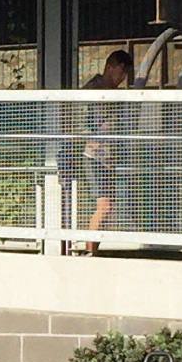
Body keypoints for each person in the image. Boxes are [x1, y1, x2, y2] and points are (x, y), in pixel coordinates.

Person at [79, 48, 133, 251]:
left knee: (107, 208)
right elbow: (80, 121)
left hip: (109, 158)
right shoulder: (92, 89)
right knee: (104, 205)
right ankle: (89, 251)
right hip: (94, 156)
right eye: (122, 72)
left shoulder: (116, 94)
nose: (123, 78)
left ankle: (93, 249)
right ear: (111, 67)